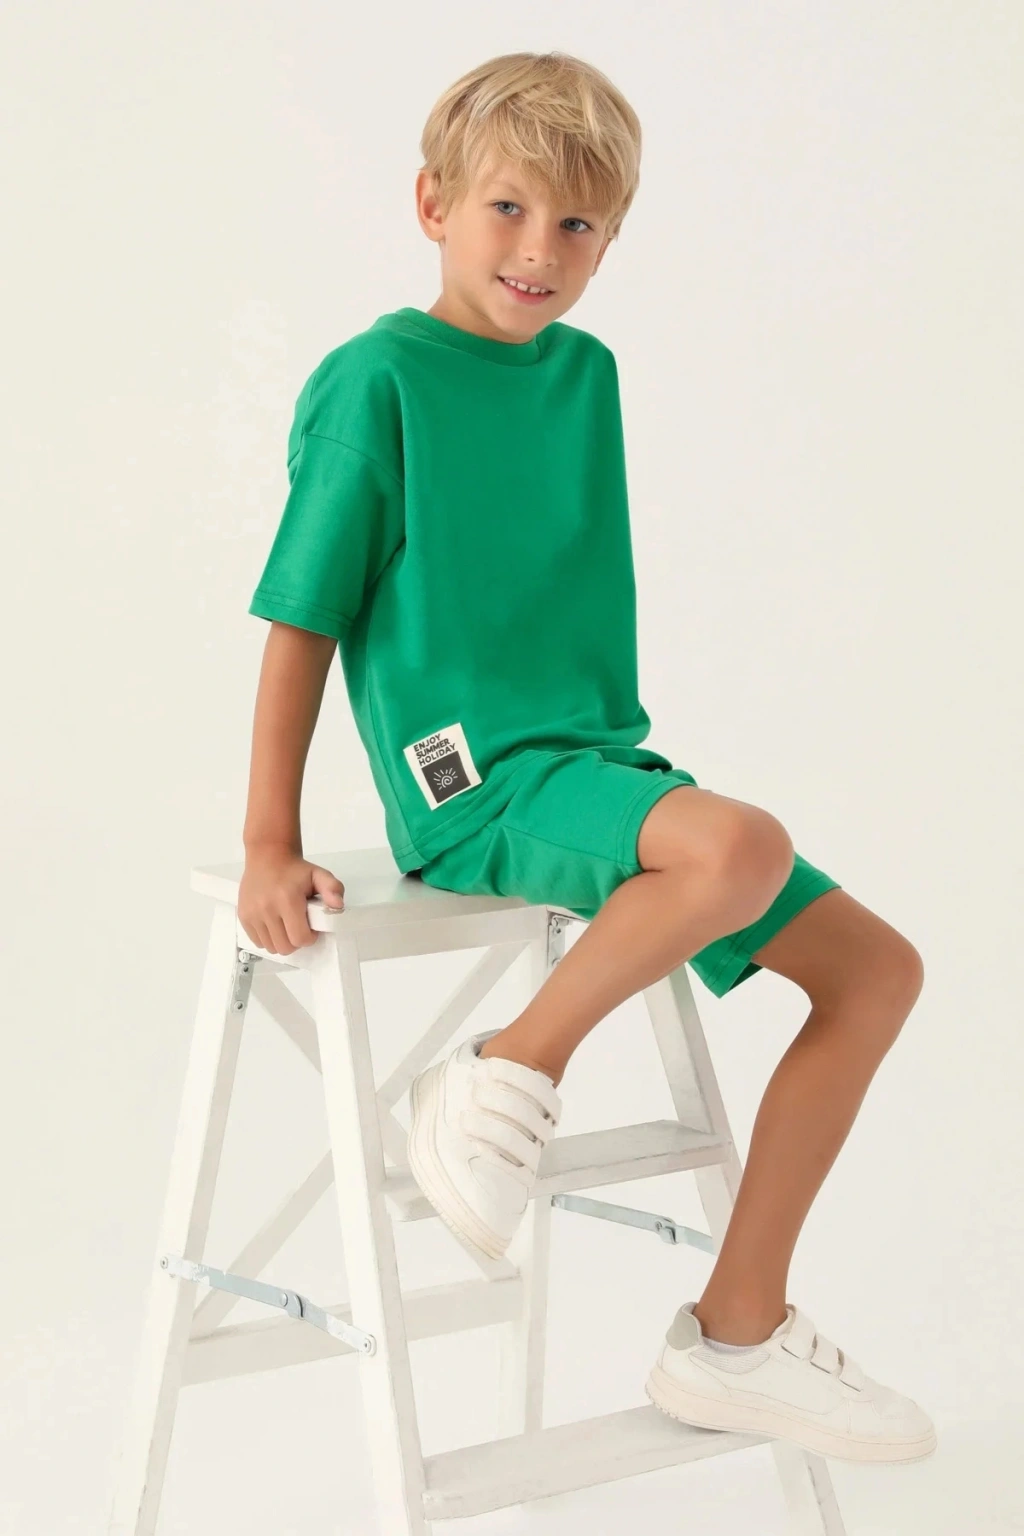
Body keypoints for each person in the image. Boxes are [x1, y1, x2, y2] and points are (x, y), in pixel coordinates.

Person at [238, 50, 935, 1465]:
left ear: (610, 241)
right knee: (740, 844)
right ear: (432, 204)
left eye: (577, 226)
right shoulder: (374, 382)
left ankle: (735, 1332)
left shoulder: (584, 375)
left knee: (878, 972)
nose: (540, 251)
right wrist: (268, 837)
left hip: (596, 768)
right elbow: (301, 616)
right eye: (507, 209)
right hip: (473, 782)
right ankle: (504, 1071)